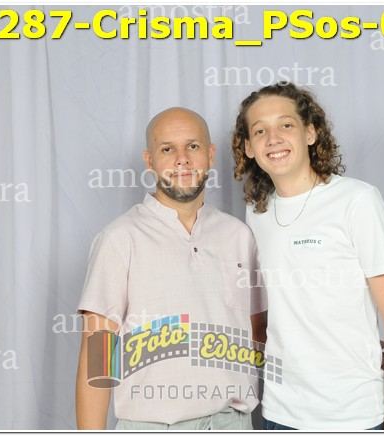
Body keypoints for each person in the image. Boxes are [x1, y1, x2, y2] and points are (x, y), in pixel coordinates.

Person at [231, 82, 384, 430]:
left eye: (286, 125)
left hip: (353, 416)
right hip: (280, 414)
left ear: (311, 133)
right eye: (260, 131)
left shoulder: (357, 201)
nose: (273, 138)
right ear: (249, 148)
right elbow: (275, 311)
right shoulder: (257, 213)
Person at [75, 107, 267, 430]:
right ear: (149, 160)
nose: (182, 159)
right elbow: (97, 359)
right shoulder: (120, 239)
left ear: (210, 154)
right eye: (167, 149)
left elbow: (259, 335)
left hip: (233, 423)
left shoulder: (239, 236)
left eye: (192, 146)